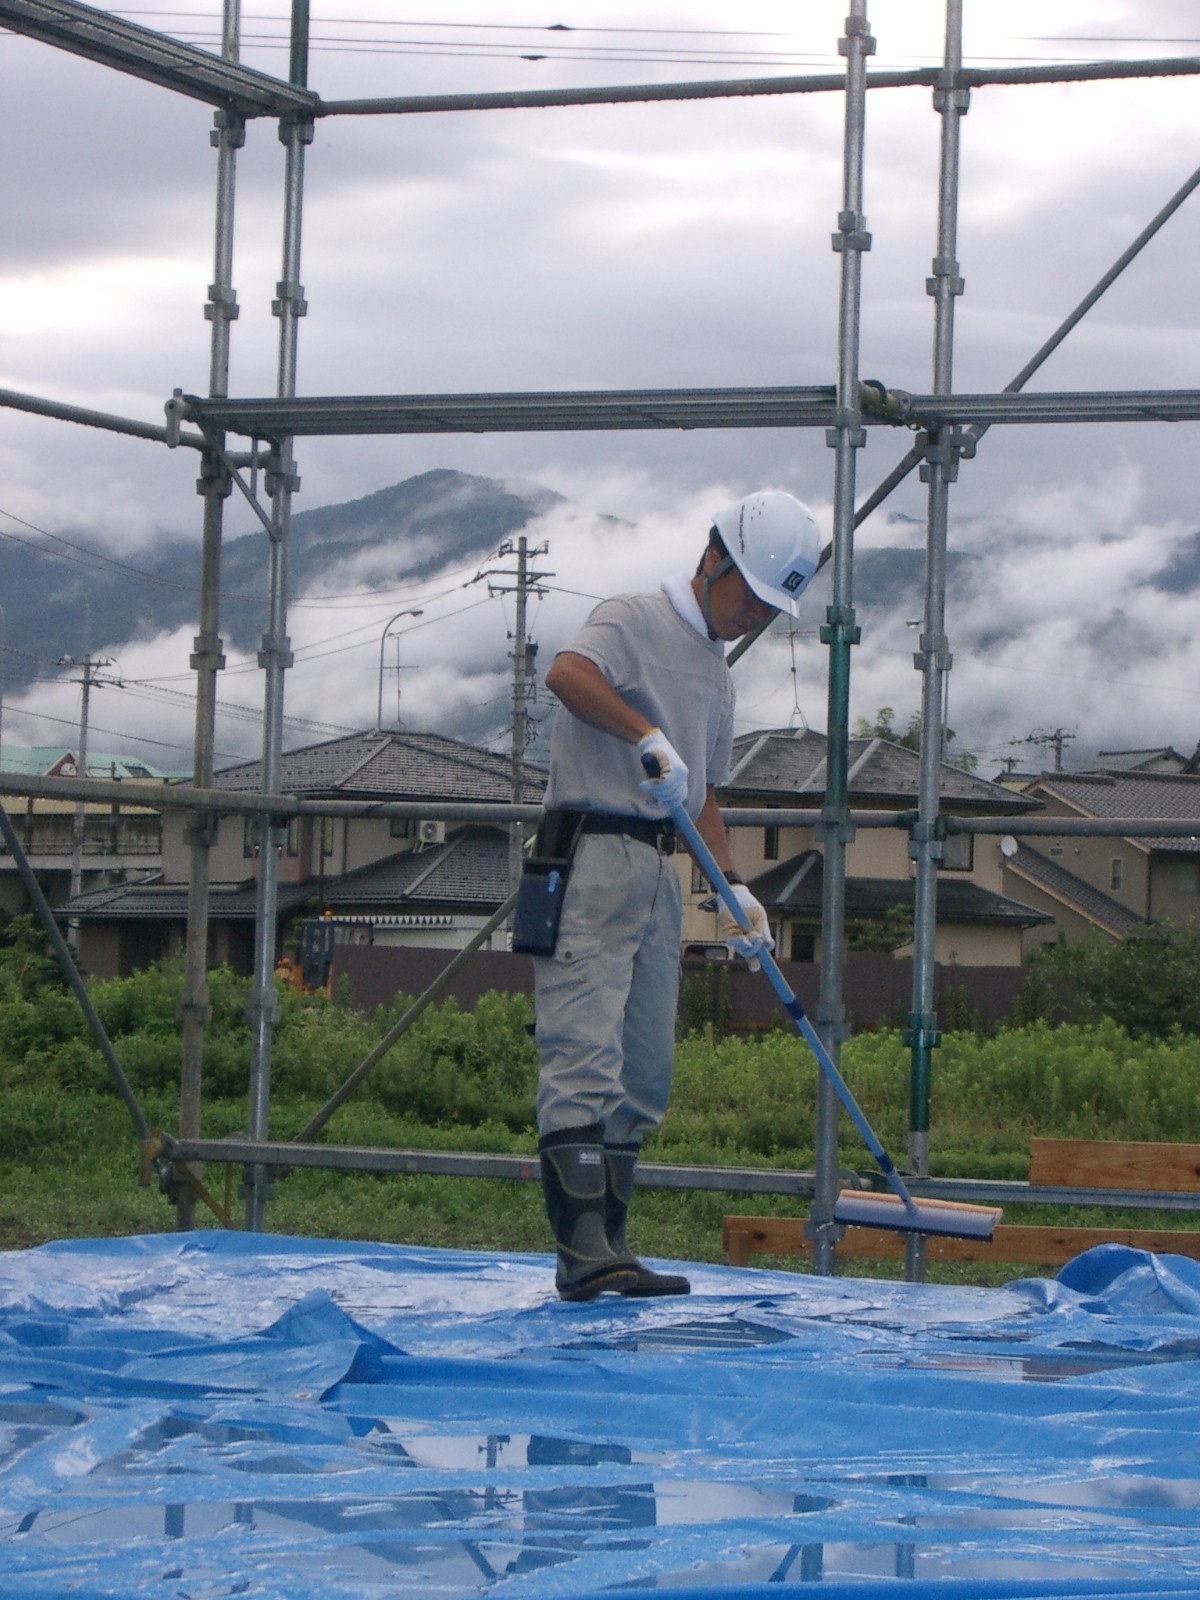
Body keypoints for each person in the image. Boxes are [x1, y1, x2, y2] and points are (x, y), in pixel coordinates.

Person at [530, 489, 821, 1301]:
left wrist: (735, 888)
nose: (756, 620)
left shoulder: (716, 675)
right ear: (713, 560)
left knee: (646, 1073)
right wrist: (643, 734)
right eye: (752, 600)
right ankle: (581, 1252)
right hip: (592, 853)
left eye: (771, 612)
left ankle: (612, 1243)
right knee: (582, 1053)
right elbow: (567, 673)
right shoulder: (632, 617)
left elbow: (705, 797)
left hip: (663, 868)